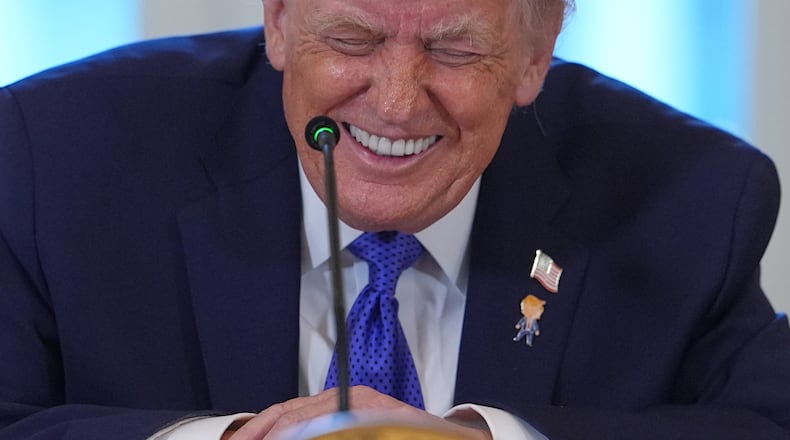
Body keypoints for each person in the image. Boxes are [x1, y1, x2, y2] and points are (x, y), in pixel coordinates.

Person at [1, 0, 789, 438]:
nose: (397, 102)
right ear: (278, 20)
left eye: (453, 50)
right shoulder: (52, 162)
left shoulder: (693, 200)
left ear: (537, 50)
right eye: (353, 38)